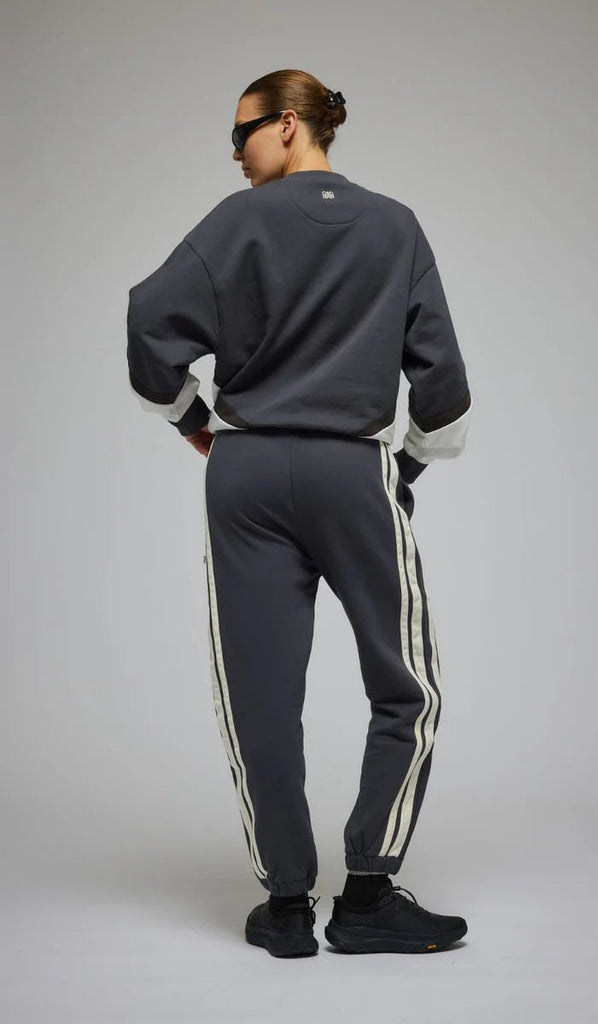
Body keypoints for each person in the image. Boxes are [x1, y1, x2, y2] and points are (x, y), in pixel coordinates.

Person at [126, 68, 472, 958]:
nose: (234, 153)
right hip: (351, 468)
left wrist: (195, 424)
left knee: (260, 693)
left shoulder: (232, 223)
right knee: (407, 684)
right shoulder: (393, 226)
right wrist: (403, 465)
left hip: (242, 473)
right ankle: (367, 894)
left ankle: (284, 907)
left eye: (240, 133)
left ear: (286, 124)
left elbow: (147, 325)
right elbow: (442, 387)